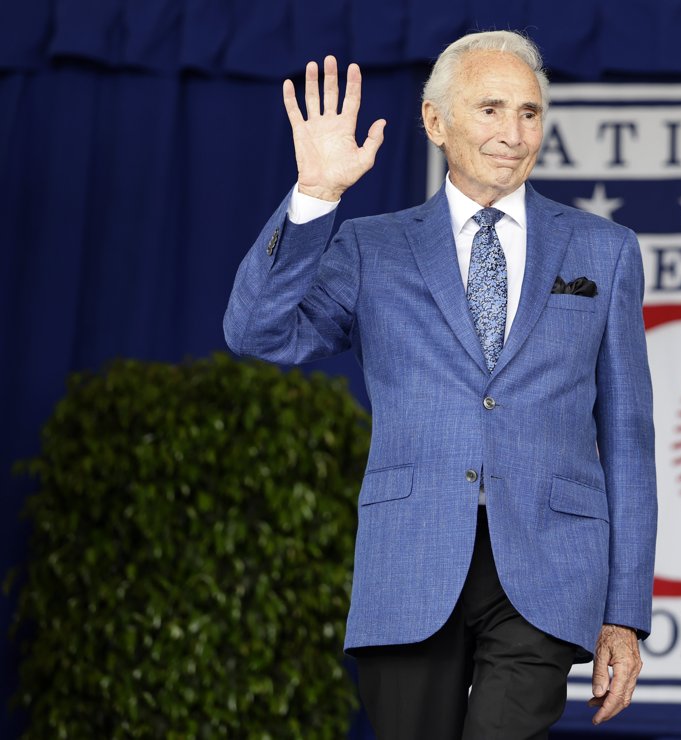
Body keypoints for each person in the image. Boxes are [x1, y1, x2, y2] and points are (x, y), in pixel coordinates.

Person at [224, 30, 656, 740]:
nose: (513, 134)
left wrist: (624, 613)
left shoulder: (605, 252)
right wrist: (315, 194)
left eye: (529, 112)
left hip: (548, 568)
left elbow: (630, 439)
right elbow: (257, 333)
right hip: (410, 563)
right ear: (436, 122)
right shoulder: (371, 246)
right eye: (490, 109)